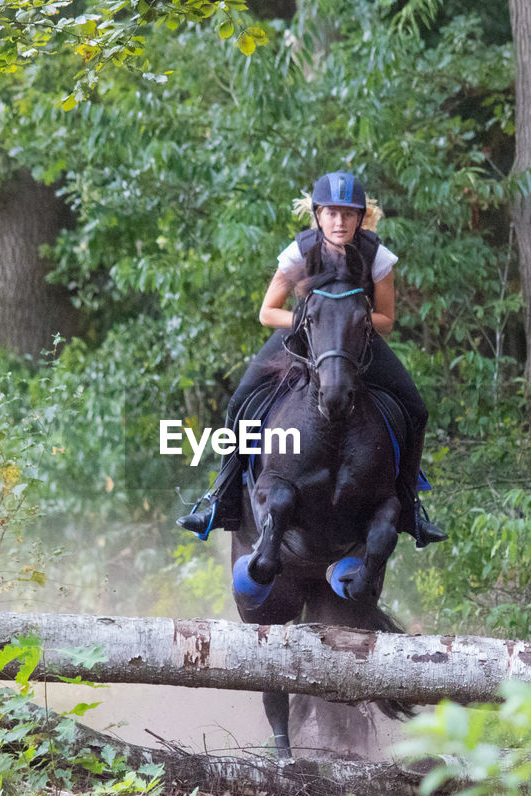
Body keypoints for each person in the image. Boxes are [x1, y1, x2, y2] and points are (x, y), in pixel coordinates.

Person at [177, 170, 446, 548]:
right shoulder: (299, 252)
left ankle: (410, 508)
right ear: (318, 215)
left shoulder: (377, 256)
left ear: (360, 217)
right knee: (240, 401)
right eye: (332, 214)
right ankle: (220, 501)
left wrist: (346, 323)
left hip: (356, 343)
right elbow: (267, 313)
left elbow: (386, 321)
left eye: (348, 214)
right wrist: (309, 321)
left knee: (416, 408)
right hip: (302, 336)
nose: (340, 222)